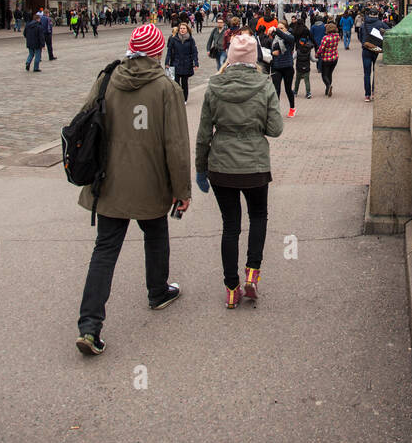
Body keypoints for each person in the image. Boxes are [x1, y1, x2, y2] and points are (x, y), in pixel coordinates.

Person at [75, 23, 191, 356]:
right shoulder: (166, 88)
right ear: (157, 52)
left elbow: (85, 118)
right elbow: (176, 145)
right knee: (155, 235)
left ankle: (89, 326)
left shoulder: (107, 78)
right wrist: (181, 191)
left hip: (107, 180)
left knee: (105, 250)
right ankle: (157, 291)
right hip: (150, 183)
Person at [195, 31, 283, 309]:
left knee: (230, 226)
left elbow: (202, 133)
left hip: (221, 166)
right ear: (254, 58)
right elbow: (275, 129)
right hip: (255, 165)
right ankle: (252, 274)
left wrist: (200, 167)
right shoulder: (264, 85)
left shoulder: (214, 86)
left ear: (230, 58)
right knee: (258, 216)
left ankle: (231, 287)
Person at [165, 21, 199, 102]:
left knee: (184, 83)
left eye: (184, 28)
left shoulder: (191, 40)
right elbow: (169, 51)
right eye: (181, 28)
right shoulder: (174, 39)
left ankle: (184, 99)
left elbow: (194, 52)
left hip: (186, 63)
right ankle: (177, 98)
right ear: (178, 29)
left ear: (187, 29)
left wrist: (196, 63)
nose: (182, 30)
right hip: (176, 63)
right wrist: (167, 62)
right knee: (175, 83)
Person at [359, 10, 387, 102]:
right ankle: (374, 92)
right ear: (377, 15)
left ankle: (367, 95)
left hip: (366, 50)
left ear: (369, 14)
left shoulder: (364, 25)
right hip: (377, 50)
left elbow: (360, 37)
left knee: (367, 74)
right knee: (376, 72)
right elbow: (388, 33)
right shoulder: (381, 24)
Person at [270, 19, 296, 117]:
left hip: (287, 67)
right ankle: (276, 111)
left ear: (286, 29)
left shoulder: (290, 37)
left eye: (282, 28)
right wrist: (272, 53)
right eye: (278, 28)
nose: (279, 30)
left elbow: (285, 37)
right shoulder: (274, 38)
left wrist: (276, 30)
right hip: (276, 67)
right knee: (276, 90)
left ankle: (292, 108)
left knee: (288, 89)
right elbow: (269, 50)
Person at [291, 19, 314, 99]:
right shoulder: (306, 29)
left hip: (298, 48)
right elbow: (311, 37)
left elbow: (293, 40)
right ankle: (308, 92)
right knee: (307, 80)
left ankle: (295, 91)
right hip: (306, 47)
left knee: (297, 78)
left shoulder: (295, 30)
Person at [316, 21, 340, 95]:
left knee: (324, 75)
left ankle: (328, 86)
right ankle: (327, 90)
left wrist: (317, 54)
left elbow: (321, 48)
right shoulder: (337, 37)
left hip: (326, 58)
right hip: (334, 58)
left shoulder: (326, 38)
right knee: (330, 74)